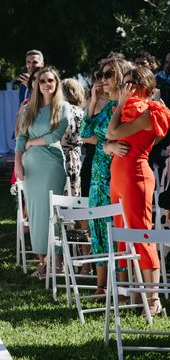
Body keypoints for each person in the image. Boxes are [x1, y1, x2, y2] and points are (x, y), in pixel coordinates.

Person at [107, 66, 170, 316]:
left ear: (142, 86)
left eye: (129, 83)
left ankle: (153, 299)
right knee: (123, 237)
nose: (124, 88)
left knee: (141, 236)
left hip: (136, 177)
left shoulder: (151, 111)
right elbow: (107, 141)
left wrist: (120, 106)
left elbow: (113, 132)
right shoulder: (125, 110)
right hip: (118, 177)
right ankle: (133, 293)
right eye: (122, 83)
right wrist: (109, 148)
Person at [80, 58, 131, 295]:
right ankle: (101, 286)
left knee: (115, 228)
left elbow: (124, 141)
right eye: (101, 74)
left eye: (108, 74)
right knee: (98, 228)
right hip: (97, 177)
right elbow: (85, 133)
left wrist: (108, 146)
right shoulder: (107, 107)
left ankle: (121, 286)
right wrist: (91, 102)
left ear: (121, 76)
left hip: (115, 177)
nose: (103, 79)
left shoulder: (125, 107)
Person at [14, 66, 69, 278]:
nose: (47, 84)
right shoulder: (30, 109)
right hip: (31, 167)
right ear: (37, 85)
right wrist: (18, 163)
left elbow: (56, 135)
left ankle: (58, 261)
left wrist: (31, 143)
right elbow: (20, 138)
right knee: (35, 213)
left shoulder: (62, 107)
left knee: (51, 212)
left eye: (51, 81)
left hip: (52, 165)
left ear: (56, 84)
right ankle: (42, 262)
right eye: (43, 81)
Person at [60, 78, 85, 197]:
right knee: (73, 196)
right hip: (74, 157)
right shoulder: (81, 112)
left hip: (59, 155)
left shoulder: (59, 111)